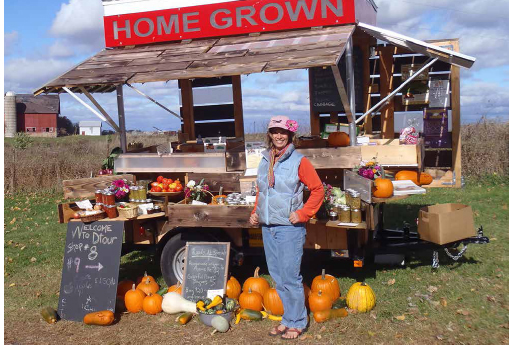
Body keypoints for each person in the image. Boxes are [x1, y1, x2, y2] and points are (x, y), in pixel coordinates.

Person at [249, 115, 324, 340]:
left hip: (289, 228)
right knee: (278, 276)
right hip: (268, 227)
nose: (279, 136)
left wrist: (302, 213)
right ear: (269, 135)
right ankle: (287, 318)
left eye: (283, 132)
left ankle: (298, 320)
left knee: (291, 276)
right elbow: (263, 191)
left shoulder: (299, 161)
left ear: (290, 135)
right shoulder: (265, 160)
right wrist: (256, 213)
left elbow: (318, 189)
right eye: (274, 131)